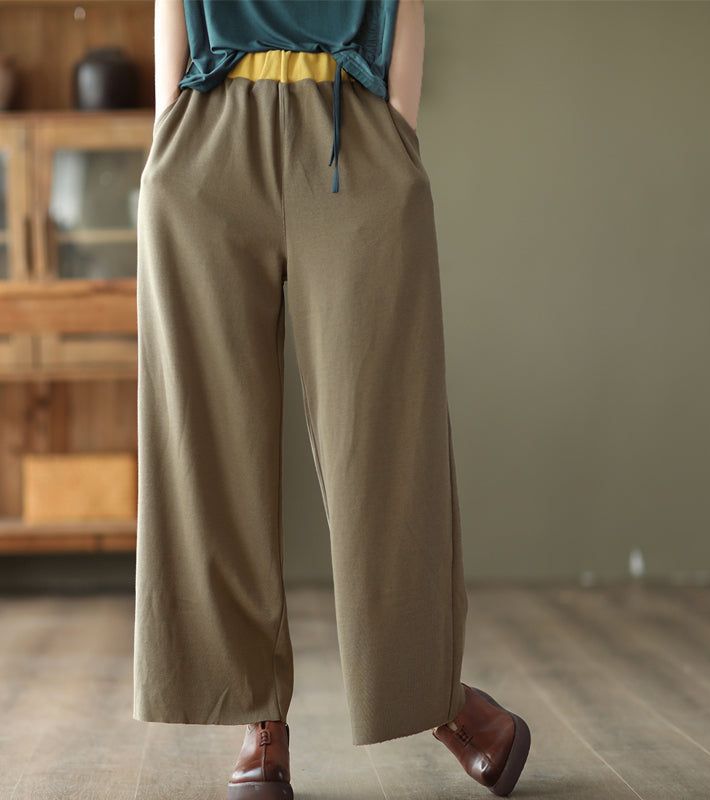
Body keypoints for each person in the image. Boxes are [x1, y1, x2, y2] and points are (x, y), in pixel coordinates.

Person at [132, 1, 531, 797]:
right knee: (205, 441)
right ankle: (258, 719)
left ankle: (439, 700)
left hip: (353, 126)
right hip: (210, 126)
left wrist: (399, 137)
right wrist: (168, 132)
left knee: (383, 438)